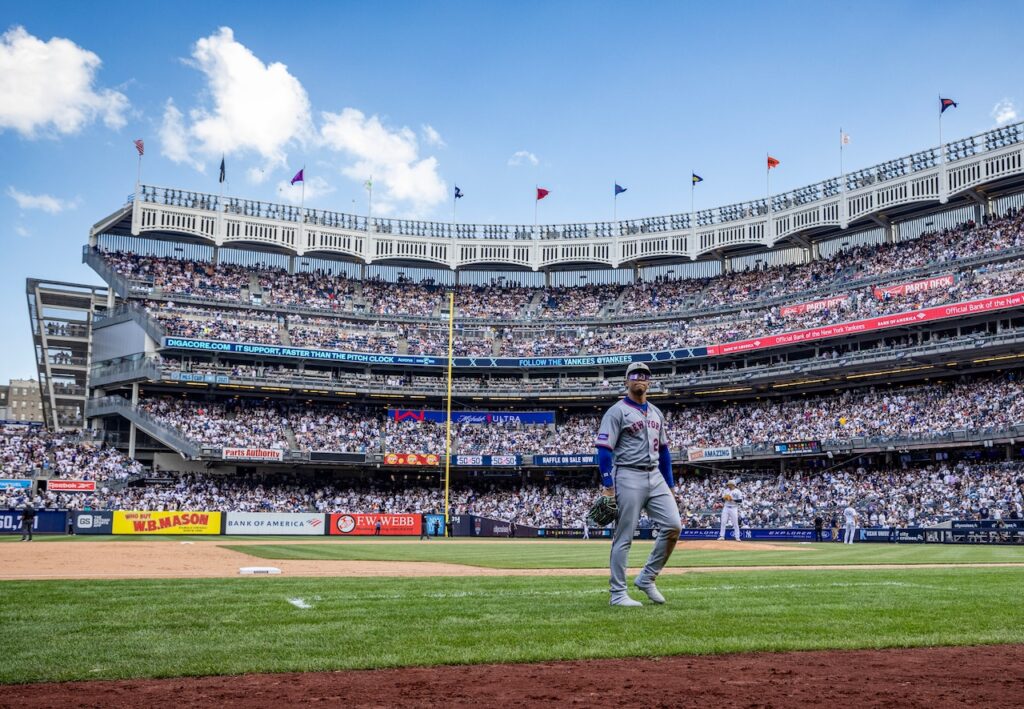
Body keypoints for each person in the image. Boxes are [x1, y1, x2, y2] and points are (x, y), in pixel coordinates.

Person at [595, 361, 681, 607]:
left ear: (649, 382)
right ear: (626, 381)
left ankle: (647, 577)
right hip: (628, 475)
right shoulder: (617, 411)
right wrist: (608, 485)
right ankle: (618, 593)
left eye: (644, 375)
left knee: (673, 525)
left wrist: (671, 486)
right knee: (624, 537)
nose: (640, 378)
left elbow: (664, 452)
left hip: (655, 476)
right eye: (634, 375)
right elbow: (603, 450)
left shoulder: (656, 412)